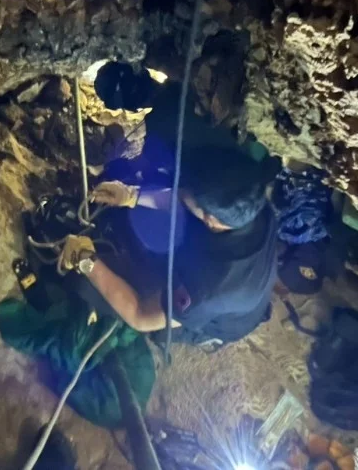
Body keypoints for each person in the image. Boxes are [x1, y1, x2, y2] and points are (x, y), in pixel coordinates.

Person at [57, 146, 278, 346]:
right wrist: (131, 195)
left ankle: (190, 337)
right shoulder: (251, 202)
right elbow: (182, 199)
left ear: (210, 219)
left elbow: (139, 315)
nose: (179, 191)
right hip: (232, 279)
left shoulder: (205, 291)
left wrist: (86, 261)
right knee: (146, 226)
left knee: (84, 284)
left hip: (215, 316)